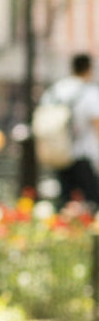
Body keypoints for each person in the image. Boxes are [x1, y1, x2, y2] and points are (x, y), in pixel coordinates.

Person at [43, 52, 99, 208]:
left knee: (64, 202)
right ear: (89, 69)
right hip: (83, 154)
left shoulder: (55, 90)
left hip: (59, 152)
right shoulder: (89, 92)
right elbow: (97, 125)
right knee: (93, 201)